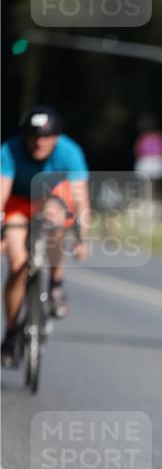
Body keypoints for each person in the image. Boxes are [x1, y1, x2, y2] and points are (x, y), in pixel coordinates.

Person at [1, 106, 90, 366]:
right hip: (17, 202)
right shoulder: (9, 151)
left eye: (47, 137)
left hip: (49, 199)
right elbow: (1, 194)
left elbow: (80, 199)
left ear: (57, 137)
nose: (39, 142)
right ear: (24, 136)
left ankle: (55, 282)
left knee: (57, 216)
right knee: (17, 265)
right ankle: (10, 331)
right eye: (33, 136)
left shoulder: (69, 152)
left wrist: (81, 236)